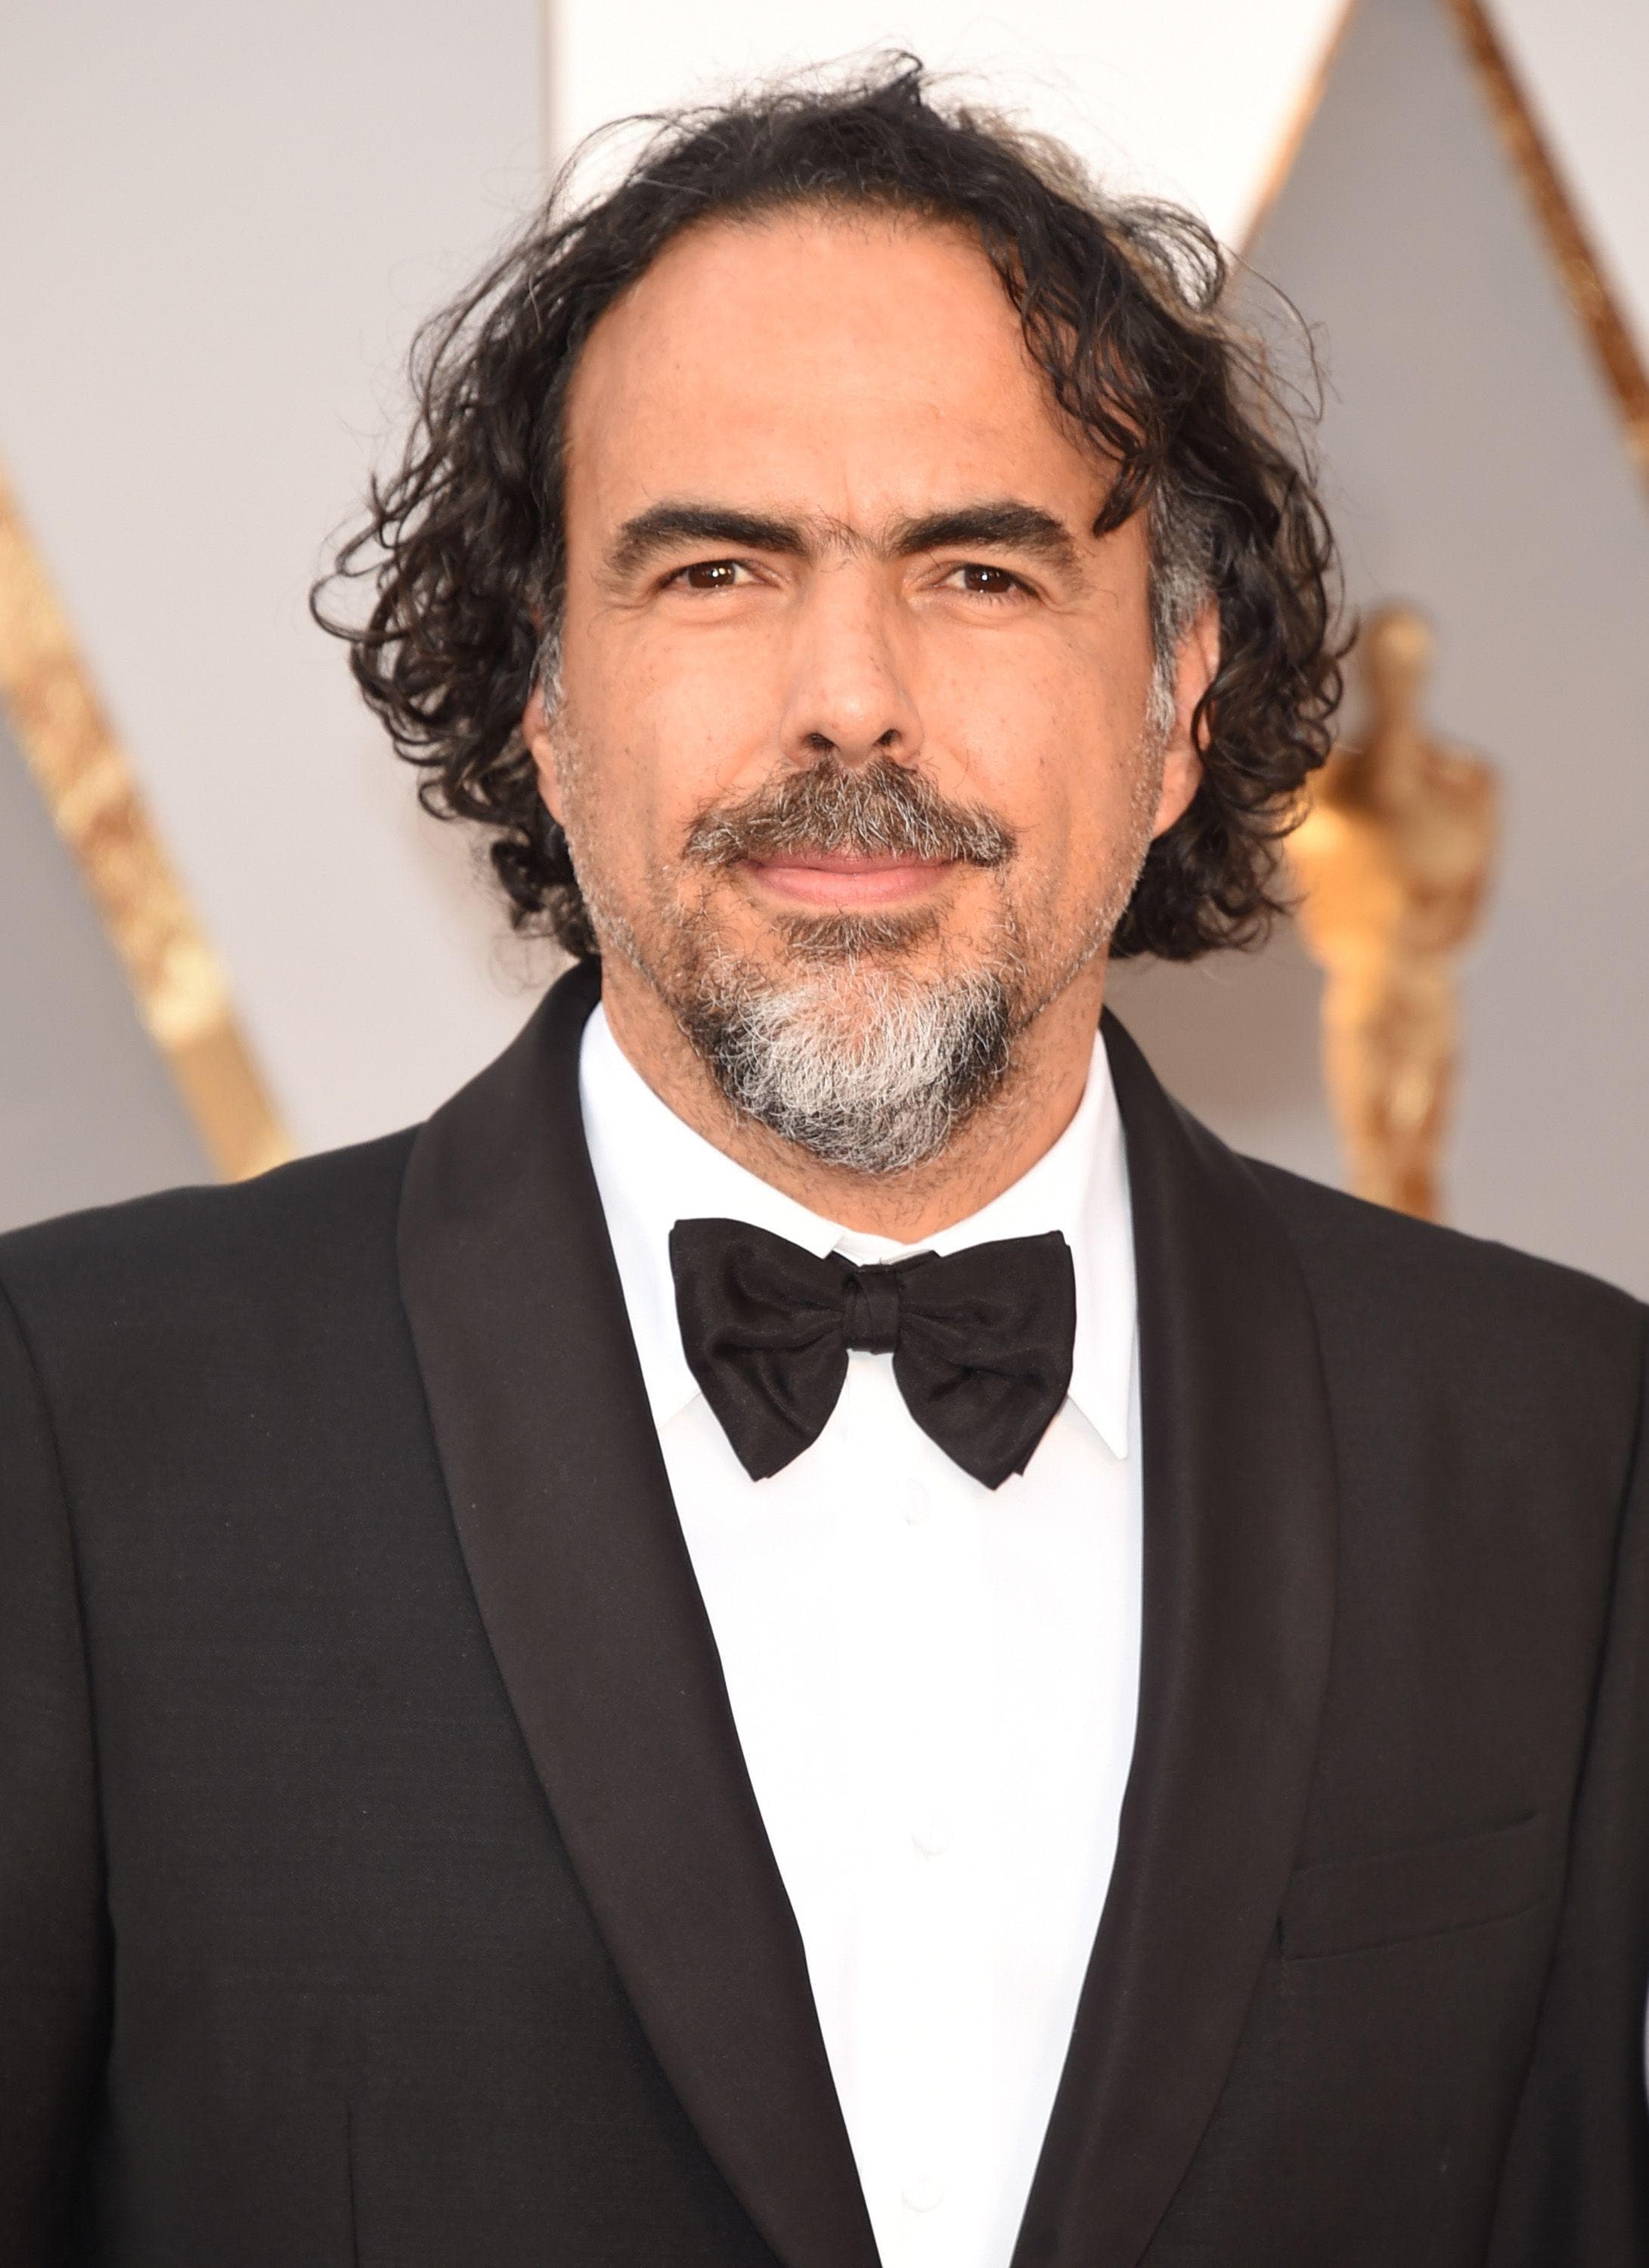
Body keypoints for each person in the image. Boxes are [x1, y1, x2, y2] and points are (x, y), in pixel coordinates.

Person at [2, 60, 1644, 2268]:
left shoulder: (1561, 1444)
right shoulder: (78, 1430)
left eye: (978, 570)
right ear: (544, 699)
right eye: (716, 569)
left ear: (1178, 698)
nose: (850, 697)